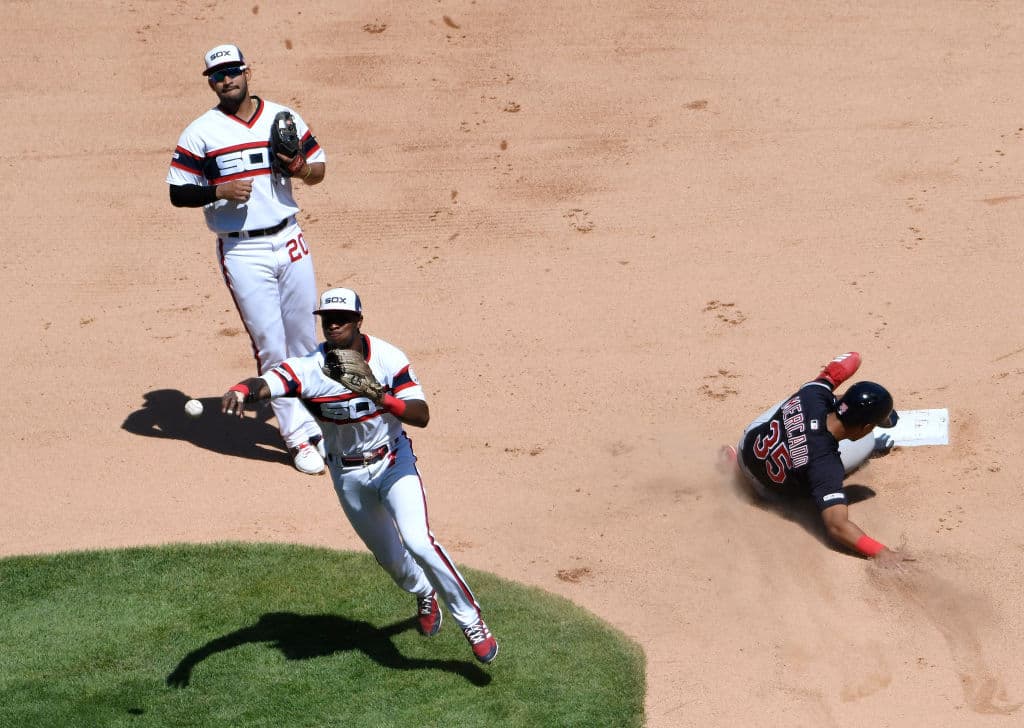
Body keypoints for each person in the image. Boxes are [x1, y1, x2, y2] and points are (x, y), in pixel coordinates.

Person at [219, 287, 499, 664]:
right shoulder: (309, 368)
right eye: (327, 319)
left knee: (419, 541)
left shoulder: (387, 357)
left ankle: (472, 621)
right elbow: (268, 383)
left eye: (342, 318)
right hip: (347, 475)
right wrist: (242, 389)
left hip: (394, 462)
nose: (333, 324)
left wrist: (383, 398)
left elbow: (421, 415)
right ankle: (424, 593)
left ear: (358, 321)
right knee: (394, 564)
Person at [167, 43, 327, 476]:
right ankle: (297, 437)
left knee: (305, 339)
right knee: (271, 345)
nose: (227, 80)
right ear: (211, 81)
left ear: (247, 72)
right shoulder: (200, 132)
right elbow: (178, 191)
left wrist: (298, 168)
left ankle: (318, 418)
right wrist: (216, 191)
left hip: (289, 238)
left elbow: (318, 169)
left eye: (233, 71)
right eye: (218, 75)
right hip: (243, 249)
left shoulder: (281, 117)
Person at [723, 352, 912, 567]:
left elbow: (837, 370)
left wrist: (853, 362)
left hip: (747, 449)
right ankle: (748, 488)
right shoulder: (826, 466)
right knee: (867, 443)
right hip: (766, 490)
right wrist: (881, 552)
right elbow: (837, 526)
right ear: (866, 426)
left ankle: (736, 468)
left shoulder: (813, 395)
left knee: (801, 395)